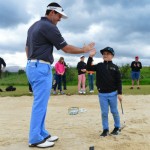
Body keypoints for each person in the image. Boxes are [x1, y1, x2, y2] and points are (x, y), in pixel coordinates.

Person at [25, 2, 95, 148]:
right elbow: (66, 49)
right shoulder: (49, 27)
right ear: (52, 13)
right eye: (59, 16)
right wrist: (84, 49)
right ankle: (35, 138)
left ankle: (41, 133)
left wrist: (33, 63)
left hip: (33, 65)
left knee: (41, 103)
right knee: (40, 104)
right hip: (40, 67)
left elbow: (27, 48)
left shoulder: (34, 26)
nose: (60, 19)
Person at [87, 47, 122, 137]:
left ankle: (117, 127)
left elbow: (119, 81)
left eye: (108, 53)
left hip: (113, 94)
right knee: (104, 112)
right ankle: (105, 129)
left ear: (112, 56)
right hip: (102, 94)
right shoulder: (99, 66)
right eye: (104, 54)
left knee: (114, 111)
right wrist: (90, 57)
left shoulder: (115, 67)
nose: (105, 55)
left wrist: (120, 93)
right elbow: (88, 67)